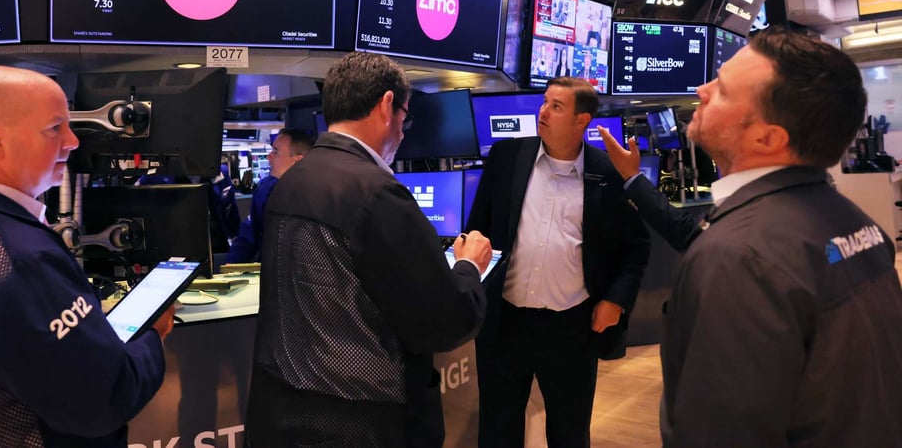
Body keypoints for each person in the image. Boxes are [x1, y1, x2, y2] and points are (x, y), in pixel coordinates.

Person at [649, 27, 902, 446]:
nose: (702, 89)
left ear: (768, 137)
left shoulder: (739, 257)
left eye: (724, 90)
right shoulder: (856, 222)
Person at [0, 66, 173, 447]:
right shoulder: (20, 261)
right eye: (55, 128)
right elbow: (103, 397)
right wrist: (152, 337)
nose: (73, 141)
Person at [245, 52, 493, 447]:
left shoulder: (291, 180)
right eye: (405, 118)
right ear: (386, 105)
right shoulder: (376, 192)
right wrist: (468, 267)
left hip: (286, 411)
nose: (403, 130)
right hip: (366, 420)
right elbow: (444, 321)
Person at [465, 77, 651, 448]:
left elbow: (636, 246)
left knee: (569, 434)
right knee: (497, 433)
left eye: (556, 106)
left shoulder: (607, 173)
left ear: (582, 121)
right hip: (505, 324)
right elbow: (477, 231)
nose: (543, 112)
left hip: (572, 329)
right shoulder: (507, 159)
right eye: (545, 102)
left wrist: (615, 301)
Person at [225, 128, 315, 263]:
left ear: (298, 159)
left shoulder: (320, 196)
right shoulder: (265, 190)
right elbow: (247, 238)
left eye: (276, 152)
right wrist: (229, 269)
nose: (269, 157)